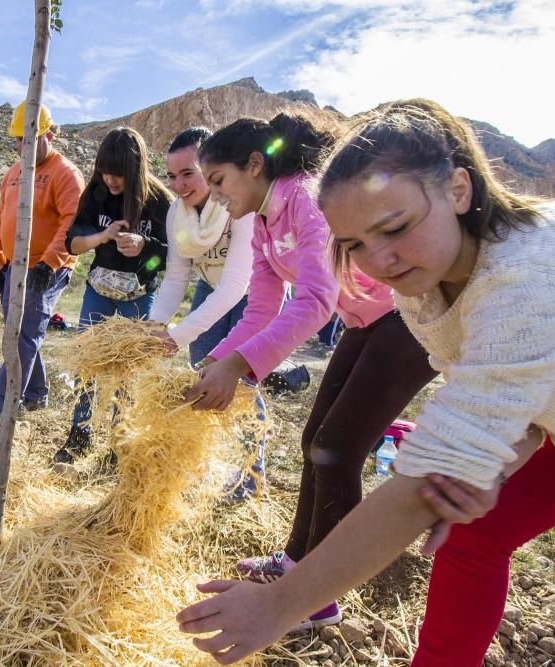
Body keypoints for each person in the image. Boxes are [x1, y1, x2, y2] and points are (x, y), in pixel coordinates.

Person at [176, 99, 555, 666]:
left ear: (459, 189)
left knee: (368, 461)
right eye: (354, 246)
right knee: (470, 534)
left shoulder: (528, 279)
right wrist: (496, 453)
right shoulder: (422, 293)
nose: (379, 262)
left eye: (395, 227)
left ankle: (317, 595)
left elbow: (424, 480)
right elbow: (519, 388)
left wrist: (278, 606)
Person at [181, 112, 438, 630]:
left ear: (255, 165)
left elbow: (317, 300)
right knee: (313, 442)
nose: (216, 195)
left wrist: (240, 365)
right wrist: (216, 360)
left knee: (338, 449)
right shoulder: (258, 225)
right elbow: (260, 309)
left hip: (407, 319)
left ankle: (318, 595)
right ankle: (296, 562)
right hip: (364, 325)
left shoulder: (304, 197)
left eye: (219, 180)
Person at [148, 127, 266, 496]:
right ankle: (200, 461)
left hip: (254, 288)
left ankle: (251, 473)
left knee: (240, 375)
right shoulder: (176, 214)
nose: (179, 185)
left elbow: (236, 285)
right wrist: (153, 329)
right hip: (211, 285)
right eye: (171, 175)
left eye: (189, 173)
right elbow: (176, 278)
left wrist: (177, 335)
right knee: (202, 366)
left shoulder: (236, 204)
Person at [54, 127, 172, 463]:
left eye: (118, 172)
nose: (110, 179)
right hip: (98, 293)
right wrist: (103, 236)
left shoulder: (160, 201)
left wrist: (143, 247)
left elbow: (175, 254)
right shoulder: (95, 192)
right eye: (105, 170)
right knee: (87, 365)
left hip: (140, 297)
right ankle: (80, 434)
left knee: (129, 370)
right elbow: (73, 243)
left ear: (135, 169)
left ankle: (120, 444)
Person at [0, 102, 84, 426]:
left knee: (23, 332)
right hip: (15, 266)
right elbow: (1, 217)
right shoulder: (13, 172)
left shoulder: (65, 173)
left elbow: (73, 223)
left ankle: (2, 402)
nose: (21, 145)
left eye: (29, 138)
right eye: (18, 140)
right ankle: (35, 394)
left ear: (48, 134)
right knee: (17, 329)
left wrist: (50, 263)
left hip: (48, 268)